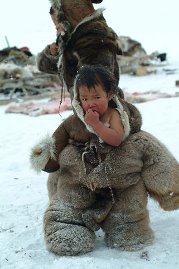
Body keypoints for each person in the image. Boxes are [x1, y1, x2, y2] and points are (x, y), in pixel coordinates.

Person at [30, 64, 179, 256]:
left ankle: (126, 225)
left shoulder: (116, 115)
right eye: (84, 98)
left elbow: (116, 140)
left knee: (128, 215)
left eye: (96, 97)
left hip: (122, 187)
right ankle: (66, 223)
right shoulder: (74, 123)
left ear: (109, 94)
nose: (90, 103)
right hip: (80, 184)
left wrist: (97, 126)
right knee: (69, 196)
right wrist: (47, 159)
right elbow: (57, 143)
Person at [37, 0, 124, 99]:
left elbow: (93, 89)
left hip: (98, 107)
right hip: (86, 106)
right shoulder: (70, 41)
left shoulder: (93, 41)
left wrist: (84, 109)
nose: (57, 28)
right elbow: (45, 67)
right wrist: (52, 54)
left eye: (58, 23)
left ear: (71, 18)